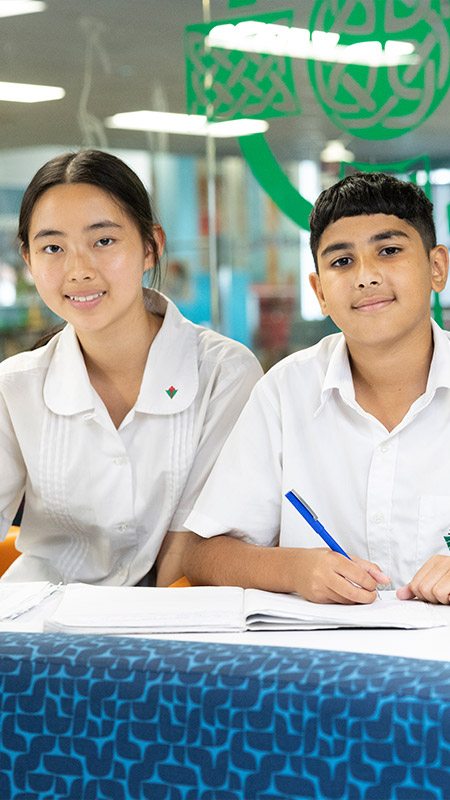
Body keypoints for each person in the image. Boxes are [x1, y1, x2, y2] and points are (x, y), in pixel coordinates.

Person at [183, 171, 450, 605]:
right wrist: (296, 569)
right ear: (320, 292)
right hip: (318, 662)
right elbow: (202, 556)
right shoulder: (286, 392)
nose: (366, 276)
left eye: (390, 250)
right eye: (342, 261)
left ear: (437, 267)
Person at [0, 149, 262, 585]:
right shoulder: (15, 386)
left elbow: (192, 545)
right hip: (37, 627)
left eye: (104, 241)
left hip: (168, 631)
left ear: (150, 247)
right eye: (52, 247)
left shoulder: (223, 373)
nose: (78, 269)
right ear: (28, 261)